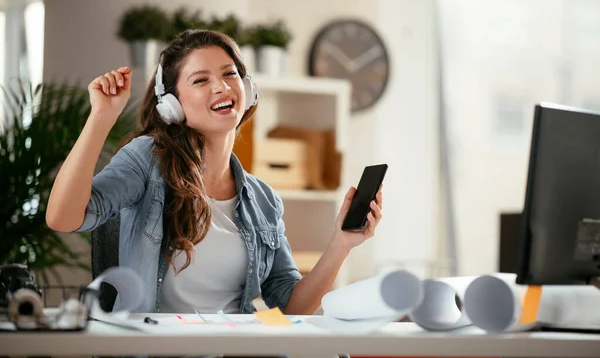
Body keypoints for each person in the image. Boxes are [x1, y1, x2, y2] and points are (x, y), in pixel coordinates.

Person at [46, 29, 384, 315]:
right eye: (201, 80)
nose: (221, 87)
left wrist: (342, 243)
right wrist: (101, 118)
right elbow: (63, 218)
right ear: (172, 105)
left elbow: (291, 308)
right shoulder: (147, 162)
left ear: (247, 88)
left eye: (229, 74)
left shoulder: (263, 200)